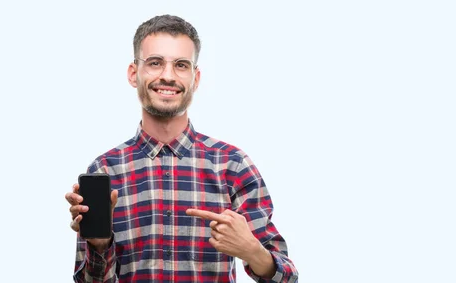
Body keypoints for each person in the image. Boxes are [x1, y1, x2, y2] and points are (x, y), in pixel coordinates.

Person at [64, 14, 298, 283]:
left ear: (195, 78)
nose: (168, 76)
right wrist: (99, 244)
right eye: (155, 63)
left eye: (181, 65)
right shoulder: (105, 170)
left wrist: (253, 251)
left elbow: (288, 277)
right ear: (133, 73)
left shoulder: (232, 165)